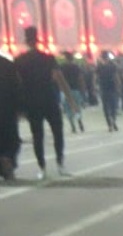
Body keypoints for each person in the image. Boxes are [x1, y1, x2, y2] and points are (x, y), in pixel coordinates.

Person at [14, 26, 77, 180]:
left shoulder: (19, 60)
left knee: (37, 135)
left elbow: (17, 84)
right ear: (37, 40)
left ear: (26, 41)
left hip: (32, 102)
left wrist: (19, 107)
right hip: (49, 99)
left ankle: (42, 168)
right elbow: (60, 79)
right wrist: (71, 100)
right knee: (57, 132)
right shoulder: (48, 58)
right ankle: (60, 164)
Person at [0, 53, 22, 181]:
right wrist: (20, 107)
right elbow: (17, 86)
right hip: (7, 108)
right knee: (11, 139)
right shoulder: (7, 64)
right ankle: (7, 159)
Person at [59, 51, 86, 134]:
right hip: (76, 89)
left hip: (65, 91)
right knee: (77, 107)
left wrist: (61, 89)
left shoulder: (62, 67)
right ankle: (79, 121)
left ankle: (72, 126)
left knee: (68, 109)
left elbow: (59, 79)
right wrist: (83, 89)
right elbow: (80, 79)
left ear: (65, 58)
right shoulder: (76, 67)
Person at [96, 50, 121, 132]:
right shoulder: (113, 65)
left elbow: (95, 77)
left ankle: (109, 124)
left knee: (106, 108)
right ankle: (113, 121)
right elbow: (116, 77)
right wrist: (119, 86)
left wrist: (95, 87)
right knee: (113, 106)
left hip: (103, 89)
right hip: (112, 88)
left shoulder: (99, 67)